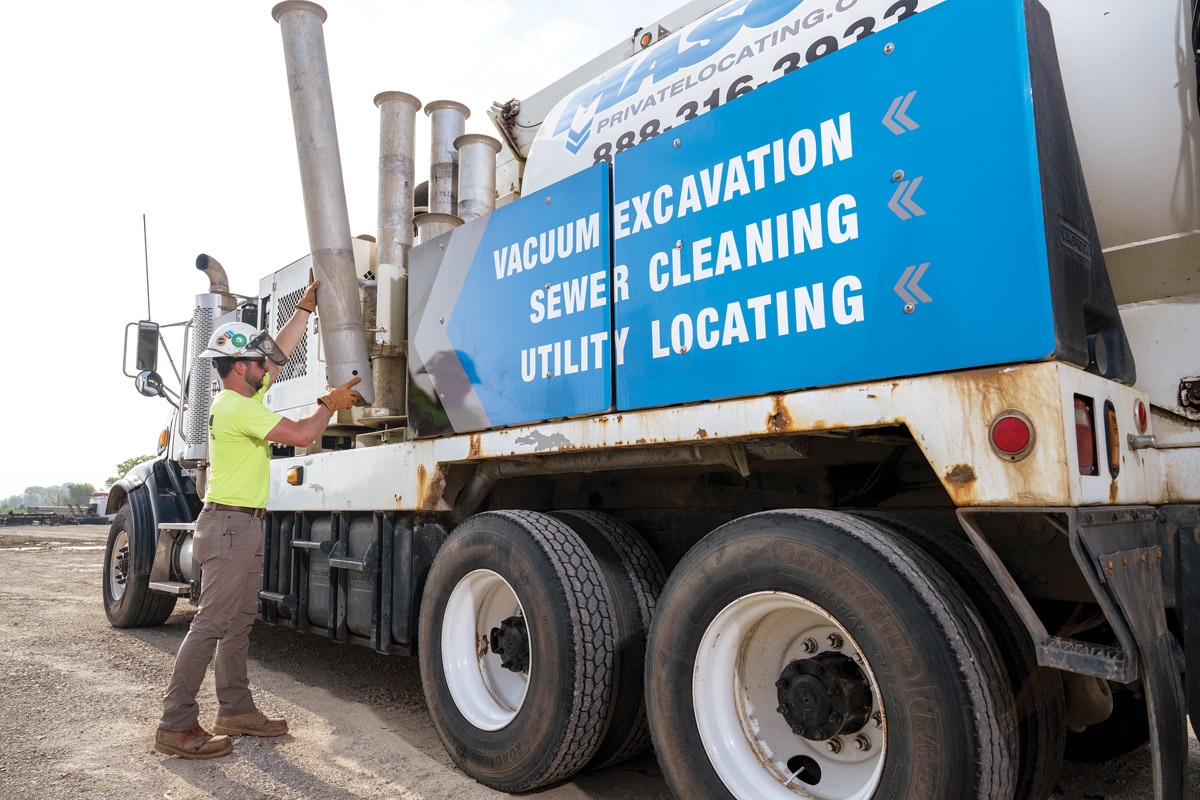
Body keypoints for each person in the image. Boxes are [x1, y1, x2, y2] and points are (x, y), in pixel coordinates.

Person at [154, 276, 363, 759]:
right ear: (239, 367)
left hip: (242, 525)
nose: (267, 368)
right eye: (258, 362)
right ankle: (175, 723)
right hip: (229, 527)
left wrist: (303, 310)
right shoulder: (236, 409)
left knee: (239, 620)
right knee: (211, 624)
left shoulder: (242, 396)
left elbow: (280, 353)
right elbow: (304, 434)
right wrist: (328, 405)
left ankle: (235, 709)